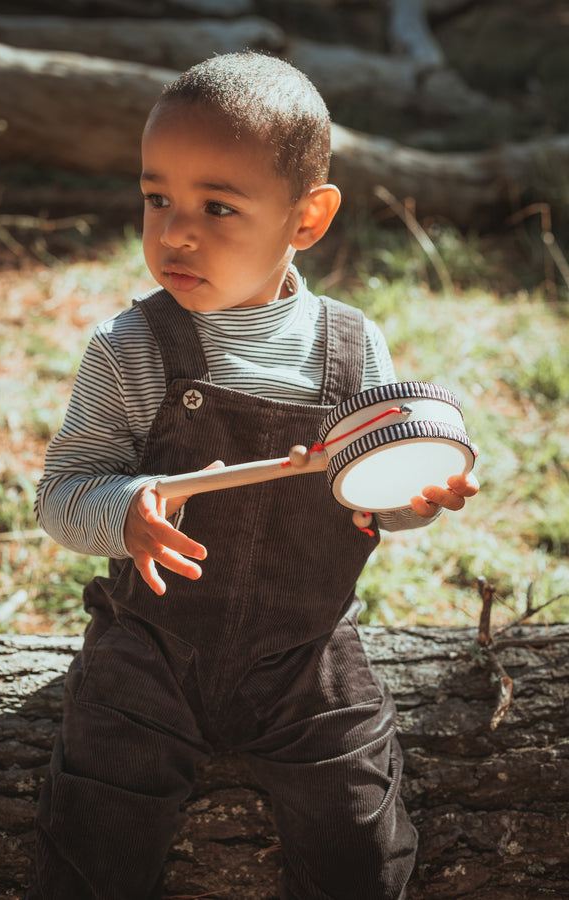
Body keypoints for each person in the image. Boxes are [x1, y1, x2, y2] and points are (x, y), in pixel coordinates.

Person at [27, 51, 478, 900]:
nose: (175, 232)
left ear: (307, 219)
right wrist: (123, 512)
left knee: (359, 833)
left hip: (305, 654)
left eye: (217, 206)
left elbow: (372, 491)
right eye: (157, 198)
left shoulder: (353, 350)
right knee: (96, 823)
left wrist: (417, 501)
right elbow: (62, 492)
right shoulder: (129, 350)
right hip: (151, 649)